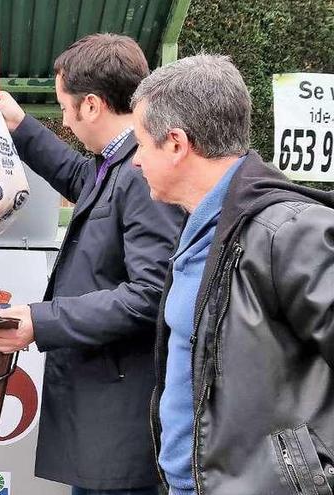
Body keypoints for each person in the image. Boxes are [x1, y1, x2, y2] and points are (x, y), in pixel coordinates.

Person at [0, 33, 183, 494]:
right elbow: (83, 180)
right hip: (103, 411)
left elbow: (153, 293)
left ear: (91, 105)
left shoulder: (140, 173)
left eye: (64, 106)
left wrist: (42, 319)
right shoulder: (120, 162)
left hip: (120, 418)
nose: (64, 119)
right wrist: (19, 125)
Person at [130, 53, 334, 495]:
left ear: (177, 143)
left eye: (141, 144)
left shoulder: (287, 231)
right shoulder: (203, 227)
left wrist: (313, 473)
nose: (135, 161)